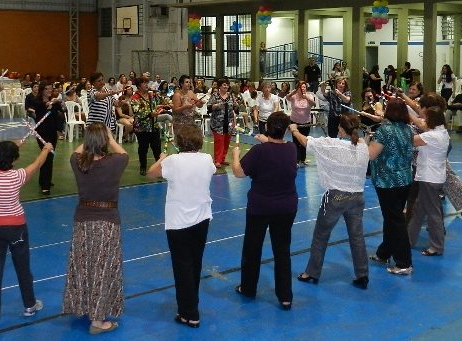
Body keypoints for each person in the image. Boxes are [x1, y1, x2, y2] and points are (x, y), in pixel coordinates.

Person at [0, 140, 53, 335]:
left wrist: (13, 146)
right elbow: (36, 165)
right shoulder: (17, 176)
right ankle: (29, 305)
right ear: (13, 159)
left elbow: (4, 159)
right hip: (15, 227)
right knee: (22, 266)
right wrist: (46, 149)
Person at [146, 124, 215, 328]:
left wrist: (161, 158)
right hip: (202, 219)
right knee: (195, 263)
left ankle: (189, 312)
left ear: (178, 142)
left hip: (178, 222)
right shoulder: (207, 159)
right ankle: (191, 304)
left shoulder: (172, 161)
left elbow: (151, 173)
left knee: (182, 266)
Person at [290, 114, 370, 289]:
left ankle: (311, 272)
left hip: (335, 197)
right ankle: (362, 274)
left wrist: (295, 130)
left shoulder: (331, 144)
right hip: (357, 197)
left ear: (341, 129)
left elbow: (306, 142)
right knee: (357, 237)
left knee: (320, 235)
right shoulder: (363, 146)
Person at [63, 123, 128, 335]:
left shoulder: (77, 162)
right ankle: (98, 321)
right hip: (107, 221)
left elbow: (76, 151)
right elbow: (123, 152)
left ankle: (84, 306)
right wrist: (108, 137)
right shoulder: (115, 162)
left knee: (84, 265)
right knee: (103, 268)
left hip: (82, 220)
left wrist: (90, 139)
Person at [231, 111, 298, 310]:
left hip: (260, 207)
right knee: (282, 250)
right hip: (286, 207)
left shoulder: (259, 152)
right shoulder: (292, 149)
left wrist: (236, 156)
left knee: (252, 249)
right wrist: (266, 141)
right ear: (285, 130)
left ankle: (248, 288)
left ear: (267, 128)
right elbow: (275, 149)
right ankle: (285, 296)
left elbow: (238, 173)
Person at [368, 98, 414, 275]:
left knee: (395, 220)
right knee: (391, 217)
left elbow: (372, 155)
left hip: (387, 182)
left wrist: (366, 143)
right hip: (404, 180)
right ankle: (384, 253)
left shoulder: (384, 131)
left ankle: (404, 263)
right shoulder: (407, 130)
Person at [407, 106, 449, 257]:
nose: (424, 120)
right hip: (433, 177)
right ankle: (409, 240)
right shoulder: (441, 132)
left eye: (426, 118)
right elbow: (421, 124)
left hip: (429, 179)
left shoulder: (432, 136)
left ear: (432, 120)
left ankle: (436, 246)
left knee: (433, 213)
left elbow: (410, 141)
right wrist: (410, 115)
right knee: (419, 211)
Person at [28, 82, 64, 195]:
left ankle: (43, 179)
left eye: (51, 89)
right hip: (42, 133)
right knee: (47, 156)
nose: (49, 91)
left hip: (52, 132)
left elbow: (62, 111)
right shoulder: (37, 102)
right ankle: (45, 185)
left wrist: (59, 103)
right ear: (42, 90)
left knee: (49, 157)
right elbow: (37, 112)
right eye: (47, 89)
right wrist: (46, 106)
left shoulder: (53, 101)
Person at [131, 76, 171, 175]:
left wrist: (170, 103)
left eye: (147, 82)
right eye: (144, 83)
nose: (146, 85)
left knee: (157, 148)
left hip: (154, 126)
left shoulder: (152, 95)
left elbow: (163, 100)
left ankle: (159, 167)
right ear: (138, 86)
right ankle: (143, 167)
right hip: (141, 128)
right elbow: (137, 112)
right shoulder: (135, 98)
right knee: (143, 149)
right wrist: (150, 114)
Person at [207, 78, 237, 168]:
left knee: (227, 142)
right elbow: (209, 108)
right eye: (224, 84)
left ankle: (222, 159)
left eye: (227, 85)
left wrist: (236, 105)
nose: (226, 86)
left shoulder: (231, 96)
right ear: (220, 86)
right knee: (219, 142)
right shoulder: (215, 96)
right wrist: (216, 106)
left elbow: (235, 109)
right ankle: (217, 160)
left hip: (229, 123)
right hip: (217, 123)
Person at [286, 81, 315, 166]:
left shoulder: (309, 96)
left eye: (304, 87)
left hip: (306, 122)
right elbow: (287, 97)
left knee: (304, 141)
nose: (302, 88)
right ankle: (296, 160)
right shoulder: (293, 97)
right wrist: (294, 91)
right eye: (301, 87)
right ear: (297, 88)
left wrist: (306, 98)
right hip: (295, 122)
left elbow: (313, 104)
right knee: (295, 142)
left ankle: (303, 159)